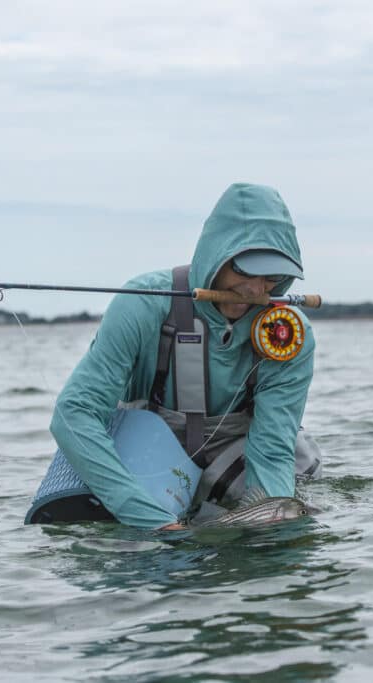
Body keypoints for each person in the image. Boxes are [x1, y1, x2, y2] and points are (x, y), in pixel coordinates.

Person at [44, 183, 320, 529]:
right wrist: (148, 519)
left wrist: (268, 531)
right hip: (148, 447)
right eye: (244, 270)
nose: (255, 289)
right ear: (215, 254)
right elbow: (73, 415)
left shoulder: (291, 335)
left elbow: (272, 448)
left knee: (296, 483)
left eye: (272, 276)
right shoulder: (142, 304)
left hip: (237, 451)